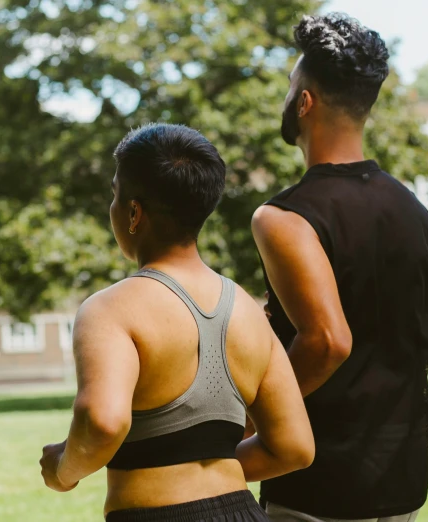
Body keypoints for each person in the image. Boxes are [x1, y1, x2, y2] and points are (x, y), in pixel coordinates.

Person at [41, 123, 315, 522]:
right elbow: (295, 447)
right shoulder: (248, 310)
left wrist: (63, 470)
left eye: (116, 194)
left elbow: (103, 422)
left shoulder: (110, 310)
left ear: (134, 212)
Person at [251, 14, 428, 522]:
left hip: (317, 483)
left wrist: (254, 415)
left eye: (292, 84)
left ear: (305, 102)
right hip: (402, 476)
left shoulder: (283, 217)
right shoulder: (415, 210)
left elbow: (327, 341)